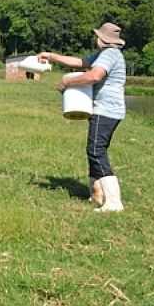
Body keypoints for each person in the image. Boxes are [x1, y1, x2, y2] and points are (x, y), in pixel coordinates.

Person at [38, 22, 127, 212]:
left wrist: (68, 82)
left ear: (101, 39)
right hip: (105, 110)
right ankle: (97, 194)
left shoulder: (110, 55)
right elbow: (79, 62)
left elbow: (94, 76)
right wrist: (51, 56)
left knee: (96, 151)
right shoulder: (103, 54)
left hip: (106, 111)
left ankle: (114, 202)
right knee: (95, 150)